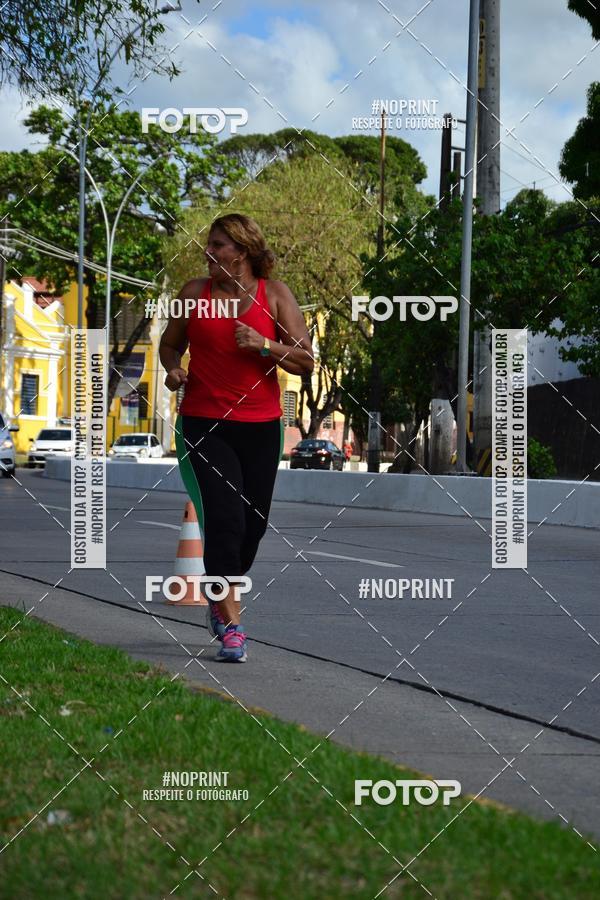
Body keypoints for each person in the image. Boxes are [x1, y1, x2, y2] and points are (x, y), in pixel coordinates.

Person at [159, 214, 314, 662]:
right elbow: (171, 344)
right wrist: (172, 369)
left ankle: (219, 588)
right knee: (225, 520)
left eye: (218, 245)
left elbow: (305, 360)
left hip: (262, 425)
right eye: (209, 245)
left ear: (243, 252)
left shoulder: (276, 295)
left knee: (252, 526)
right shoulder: (193, 295)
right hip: (204, 422)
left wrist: (264, 346)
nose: (209, 253)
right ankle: (231, 622)